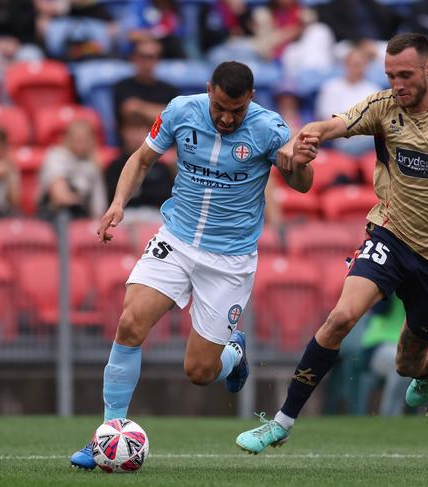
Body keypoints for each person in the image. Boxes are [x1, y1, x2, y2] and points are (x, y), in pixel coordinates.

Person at [235, 32, 428, 454]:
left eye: (405, 75)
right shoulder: (383, 107)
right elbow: (333, 124)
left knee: (408, 361)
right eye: (390, 75)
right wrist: (308, 137)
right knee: (339, 319)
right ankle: (281, 423)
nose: (397, 84)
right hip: (390, 234)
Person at [69, 61, 318, 469]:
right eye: (219, 106)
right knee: (130, 323)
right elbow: (141, 159)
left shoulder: (269, 129)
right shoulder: (181, 110)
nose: (226, 117)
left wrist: (297, 162)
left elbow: (303, 185)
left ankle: (233, 357)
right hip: (176, 240)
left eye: (236, 110)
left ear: (250, 99)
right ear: (209, 91)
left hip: (230, 259)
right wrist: (117, 204)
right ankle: (108, 434)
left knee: (200, 371)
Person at [358, 294, 428, 416]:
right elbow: (378, 308)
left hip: (427, 348)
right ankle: (390, 421)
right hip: (382, 343)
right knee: (406, 362)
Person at [104, 112, 175, 223]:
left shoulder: (161, 167)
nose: (135, 136)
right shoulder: (115, 166)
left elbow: (166, 196)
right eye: (131, 131)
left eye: (139, 130)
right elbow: (111, 196)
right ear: (123, 133)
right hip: (125, 215)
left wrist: (137, 192)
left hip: (154, 214)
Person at [36, 120, 108, 220]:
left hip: (81, 212)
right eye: (77, 138)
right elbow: (59, 197)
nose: (81, 143)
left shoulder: (93, 163)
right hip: (53, 213)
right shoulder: (56, 156)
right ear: (67, 139)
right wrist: (81, 200)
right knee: (63, 215)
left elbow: (99, 206)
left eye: (85, 139)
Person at [315, 47, 380, 154]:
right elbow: (325, 118)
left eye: (360, 64)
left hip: (367, 139)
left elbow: (377, 121)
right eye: (354, 64)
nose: (357, 68)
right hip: (341, 139)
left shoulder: (373, 89)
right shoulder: (330, 87)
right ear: (346, 65)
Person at [112, 38, 179, 128]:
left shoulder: (169, 90)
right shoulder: (123, 86)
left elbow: (172, 120)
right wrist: (159, 112)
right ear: (134, 58)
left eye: (152, 57)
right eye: (142, 57)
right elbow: (127, 112)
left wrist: (139, 107)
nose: (147, 63)